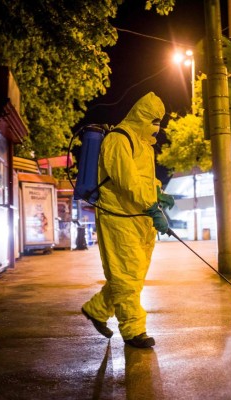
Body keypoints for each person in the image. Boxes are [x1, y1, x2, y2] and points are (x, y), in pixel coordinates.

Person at [81, 92, 174, 348]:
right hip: (118, 217)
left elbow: (143, 180)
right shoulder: (118, 139)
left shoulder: (143, 145)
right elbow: (127, 181)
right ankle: (134, 330)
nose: (156, 126)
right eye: (153, 120)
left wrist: (159, 195)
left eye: (159, 121)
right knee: (127, 276)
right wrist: (152, 205)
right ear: (141, 116)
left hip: (139, 218)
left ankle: (97, 309)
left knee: (133, 275)